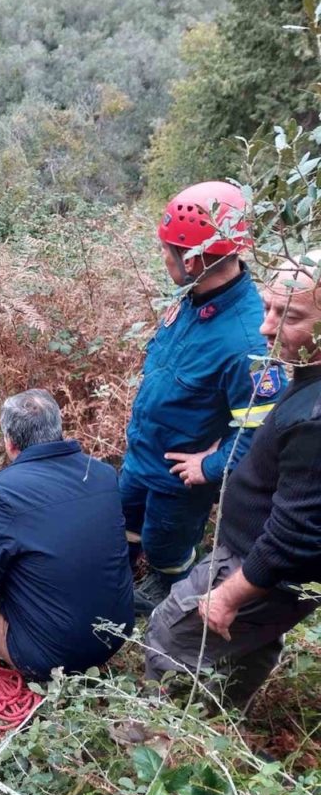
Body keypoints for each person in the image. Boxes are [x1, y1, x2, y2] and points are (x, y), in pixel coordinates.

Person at [145, 254, 321, 707]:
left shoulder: (316, 418)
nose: (267, 328)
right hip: (272, 573)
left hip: (256, 564)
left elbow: (297, 533)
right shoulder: (307, 381)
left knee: (168, 632)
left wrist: (229, 595)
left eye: (291, 316)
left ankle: (154, 745)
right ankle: (221, 715)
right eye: (270, 309)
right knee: (251, 642)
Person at [121, 180, 285, 615]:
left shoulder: (248, 339)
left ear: (192, 260)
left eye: (167, 249)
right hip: (142, 453)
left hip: (178, 477)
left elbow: (263, 429)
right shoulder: (192, 298)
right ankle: (129, 570)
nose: (162, 256)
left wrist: (211, 466)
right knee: (126, 522)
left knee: (167, 544)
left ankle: (168, 592)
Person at [0, 389, 134, 679]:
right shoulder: (102, 474)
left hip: (51, 657)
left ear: (9, 442)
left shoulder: (1, 495)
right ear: (58, 428)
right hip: (115, 635)